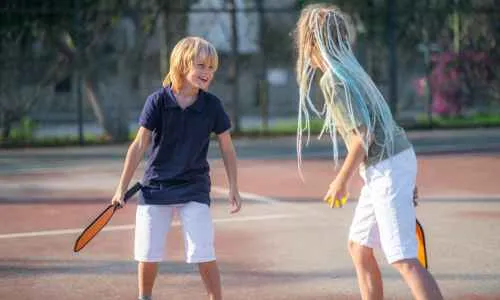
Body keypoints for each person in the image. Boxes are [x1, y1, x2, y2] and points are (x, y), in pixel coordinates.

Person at [293, 4, 443, 300]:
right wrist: (402, 177)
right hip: (389, 165)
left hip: (386, 167)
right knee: (359, 247)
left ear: (311, 43)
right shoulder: (351, 70)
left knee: (403, 259)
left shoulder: (334, 80)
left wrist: (340, 181)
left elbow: (362, 137)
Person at [111, 36, 242, 300]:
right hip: (155, 187)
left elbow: (227, 148)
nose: (207, 73)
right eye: (201, 66)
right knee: (147, 254)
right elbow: (138, 145)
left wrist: (233, 187)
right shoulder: (157, 101)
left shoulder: (212, 105)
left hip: (194, 187)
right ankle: (144, 297)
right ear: (182, 64)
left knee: (203, 251)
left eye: (211, 68)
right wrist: (120, 188)